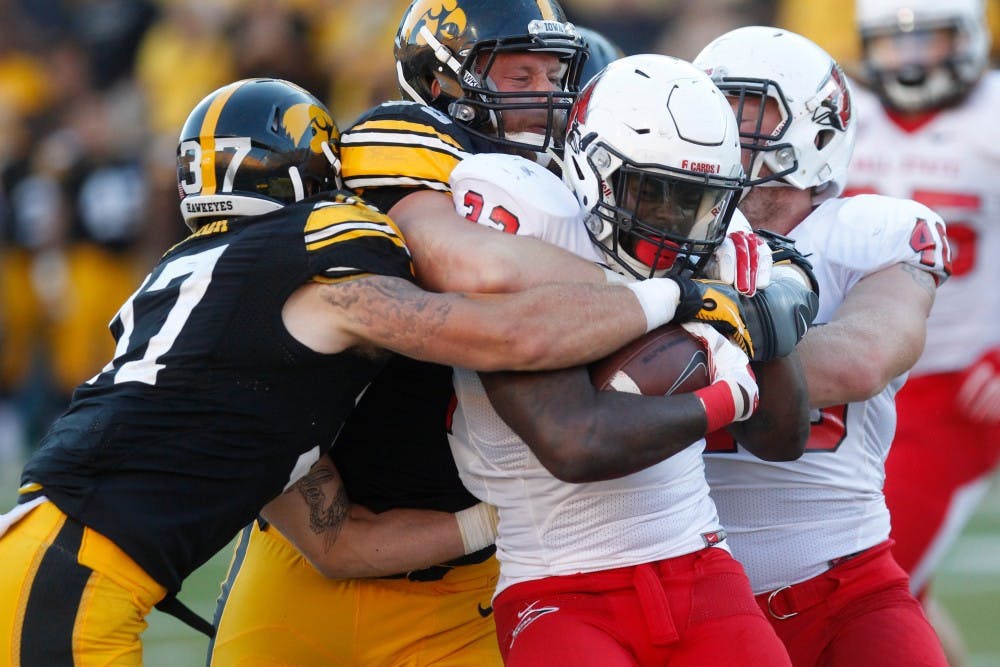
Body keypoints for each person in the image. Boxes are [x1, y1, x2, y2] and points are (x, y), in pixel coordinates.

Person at [0, 76, 717, 666]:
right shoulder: (321, 254)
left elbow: (335, 541)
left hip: (47, 557)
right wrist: (678, 297)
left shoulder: (201, 291)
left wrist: (504, 516)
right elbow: (506, 335)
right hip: (76, 578)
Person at [208, 3, 770, 665]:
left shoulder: (583, 177)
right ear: (441, 79)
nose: (546, 97)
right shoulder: (413, 137)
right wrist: (674, 297)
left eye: (555, 75)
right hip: (313, 544)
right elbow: (474, 268)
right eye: (519, 76)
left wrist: (751, 273)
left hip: (469, 572)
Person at [446, 54, 817, 666]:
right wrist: (725, 398)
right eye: (654, 192)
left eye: (696, 200)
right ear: (593, 169)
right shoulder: (532, 228)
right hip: (559, 585)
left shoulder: (709, 240)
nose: (675, 222)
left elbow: (782, 438)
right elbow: (575, 442)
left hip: (701, 565)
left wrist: (763, 318)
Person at [693, 26, 952, 666]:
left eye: (746, 110)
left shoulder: (869, 233)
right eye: (710, 108)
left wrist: (676, 350)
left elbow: (862, 358)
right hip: (692, 596)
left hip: (846, 582)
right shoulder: (654, 232)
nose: (719, 130)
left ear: (817, 130)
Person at [846, 1, 1000, 662]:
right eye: (892, 44)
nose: (908, 61)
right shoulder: (840, 110)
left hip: (952, 386)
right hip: (847, 378)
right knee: (894, 584)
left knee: (870, 583)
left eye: (926, 41)